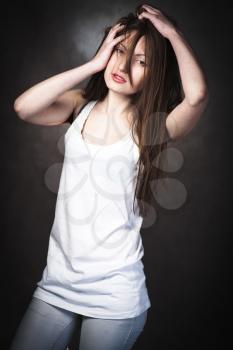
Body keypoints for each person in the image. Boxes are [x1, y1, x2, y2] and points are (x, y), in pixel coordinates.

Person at [10, 3, 209, 350]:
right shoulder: (78, 105)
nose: (123, 65)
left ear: (154, 72)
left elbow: (197, 97)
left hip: (114, 295)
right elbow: (24, 107)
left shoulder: (152, 129)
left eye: (140, 60)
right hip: (57, 285)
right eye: (120, 51)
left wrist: (172, 35)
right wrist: (92, 64)